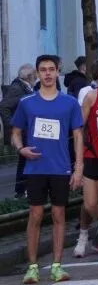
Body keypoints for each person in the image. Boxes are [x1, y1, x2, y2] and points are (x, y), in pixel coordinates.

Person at [12, 55, 83, 284]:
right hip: (35, 168)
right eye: (43, 70)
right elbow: (15, 132)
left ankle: (56, 266)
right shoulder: (27, 103)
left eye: (52, 69)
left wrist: (78, 167)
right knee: (35, 215)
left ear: (58, 72)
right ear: (37, 73)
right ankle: (32, 267)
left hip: (60, 167)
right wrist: (21, 149)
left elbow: (79, 136)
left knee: (59, 215)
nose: (48, 73)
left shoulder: (69, 103)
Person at [75, 59, 98, 259]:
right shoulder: (91, 96)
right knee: (89, 203)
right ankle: (82, 236)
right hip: (94, 154)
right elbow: (79, 128)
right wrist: (78, 161)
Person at [1, 64, 37, 198]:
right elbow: (4, 106)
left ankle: (23, 190)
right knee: (24, 160)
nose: (36, 78)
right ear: (29, 76)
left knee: (25, 160)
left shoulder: (24, 87)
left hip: (25, 130)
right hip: (21, 131)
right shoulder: (17, 88)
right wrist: (12, 127)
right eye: (34, 75)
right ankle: (21, 191)